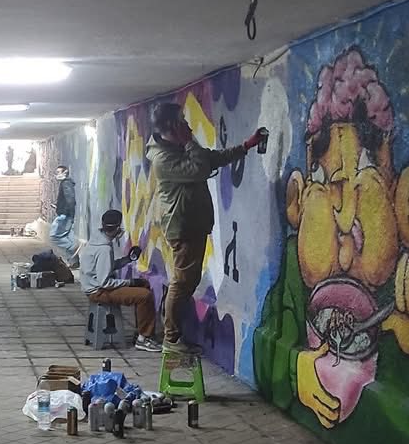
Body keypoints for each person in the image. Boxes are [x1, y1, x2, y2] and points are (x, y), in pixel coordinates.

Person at [146, 102, 266, 353]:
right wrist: (189, 142)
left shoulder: (174, 149)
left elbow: (211, 159)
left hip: (192, 224)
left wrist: (246, 146)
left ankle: (174, 335)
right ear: (172, 125)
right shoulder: (163, 158)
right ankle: (171, 338)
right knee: (182, 282)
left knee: (187, 281)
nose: (187, 125)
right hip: (183, 226)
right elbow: (199, 168)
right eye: (182, 120)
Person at [80, 210, 160, 349]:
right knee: (145, 296)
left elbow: (106, 266)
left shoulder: (97, 240)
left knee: (144, 286)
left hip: (94, 287)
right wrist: (130, 282)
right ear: (117, 228)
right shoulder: (104, 249)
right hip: (99, 291)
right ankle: (144, 338)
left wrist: (128, 259)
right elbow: (105, 282)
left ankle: (141, 332)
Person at [49, 163, 78, 261]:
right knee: (68, 237)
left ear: (65, 172)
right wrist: (58, 206)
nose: (56, 175)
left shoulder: (66, 183)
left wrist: (65, 212)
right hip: (66, 214)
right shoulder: (66, 183)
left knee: (54, 236)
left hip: (64, 215)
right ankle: (73, 261)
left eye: (58, 172)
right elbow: (68, 199)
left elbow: (70, 200)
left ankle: (72, 248)